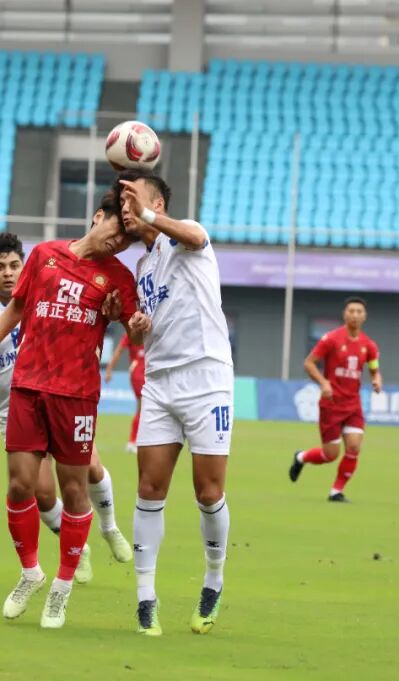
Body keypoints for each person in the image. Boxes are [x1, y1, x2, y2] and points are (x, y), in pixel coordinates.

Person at [0, 207, 144, 630]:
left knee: (74, 488)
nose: (118, 242)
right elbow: (17, 306)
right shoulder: (44, 254)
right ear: (98, 216)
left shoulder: (119, 278)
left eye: (127, 240)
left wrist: (132, 322)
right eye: (116, 230)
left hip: (77, 396)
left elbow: (136, 333)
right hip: (29, 386)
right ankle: (30, 572)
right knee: (20, 485)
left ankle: (62, 588)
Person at [117, 169, 234, 636]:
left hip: (206, 376)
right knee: (149, 488)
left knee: (208, 492)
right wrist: (136, 328)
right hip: (160, 382)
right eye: (122, 203)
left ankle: (213, 581)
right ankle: (146, 597)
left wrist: (147, 215)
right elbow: (140, 331)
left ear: (158, 204)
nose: (126, 209)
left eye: (133, 199)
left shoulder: (188, 236)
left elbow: (195, 236)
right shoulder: (142, 267)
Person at [289, 297, 382, 502]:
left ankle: (336, 491)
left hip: (353, 405)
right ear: (345, 314)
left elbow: (374, 369)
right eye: (351, 311)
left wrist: (376, 380)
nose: (355, 315)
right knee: (330, 455)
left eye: (359, 311)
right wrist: (324, 383)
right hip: (331, 405)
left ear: (364, 316)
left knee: (354, 447)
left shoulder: (369, 345)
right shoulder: (331, 339)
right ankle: (301, 457)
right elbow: (309, 363)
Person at [104, 332, 145, 453]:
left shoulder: (152, 329)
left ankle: (136, 441)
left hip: (150, 373)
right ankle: (133, 441)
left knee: (143, 408)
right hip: (138, 373)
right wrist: (109, 370)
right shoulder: (131, 331)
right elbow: (119, 350)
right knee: (143, 407)